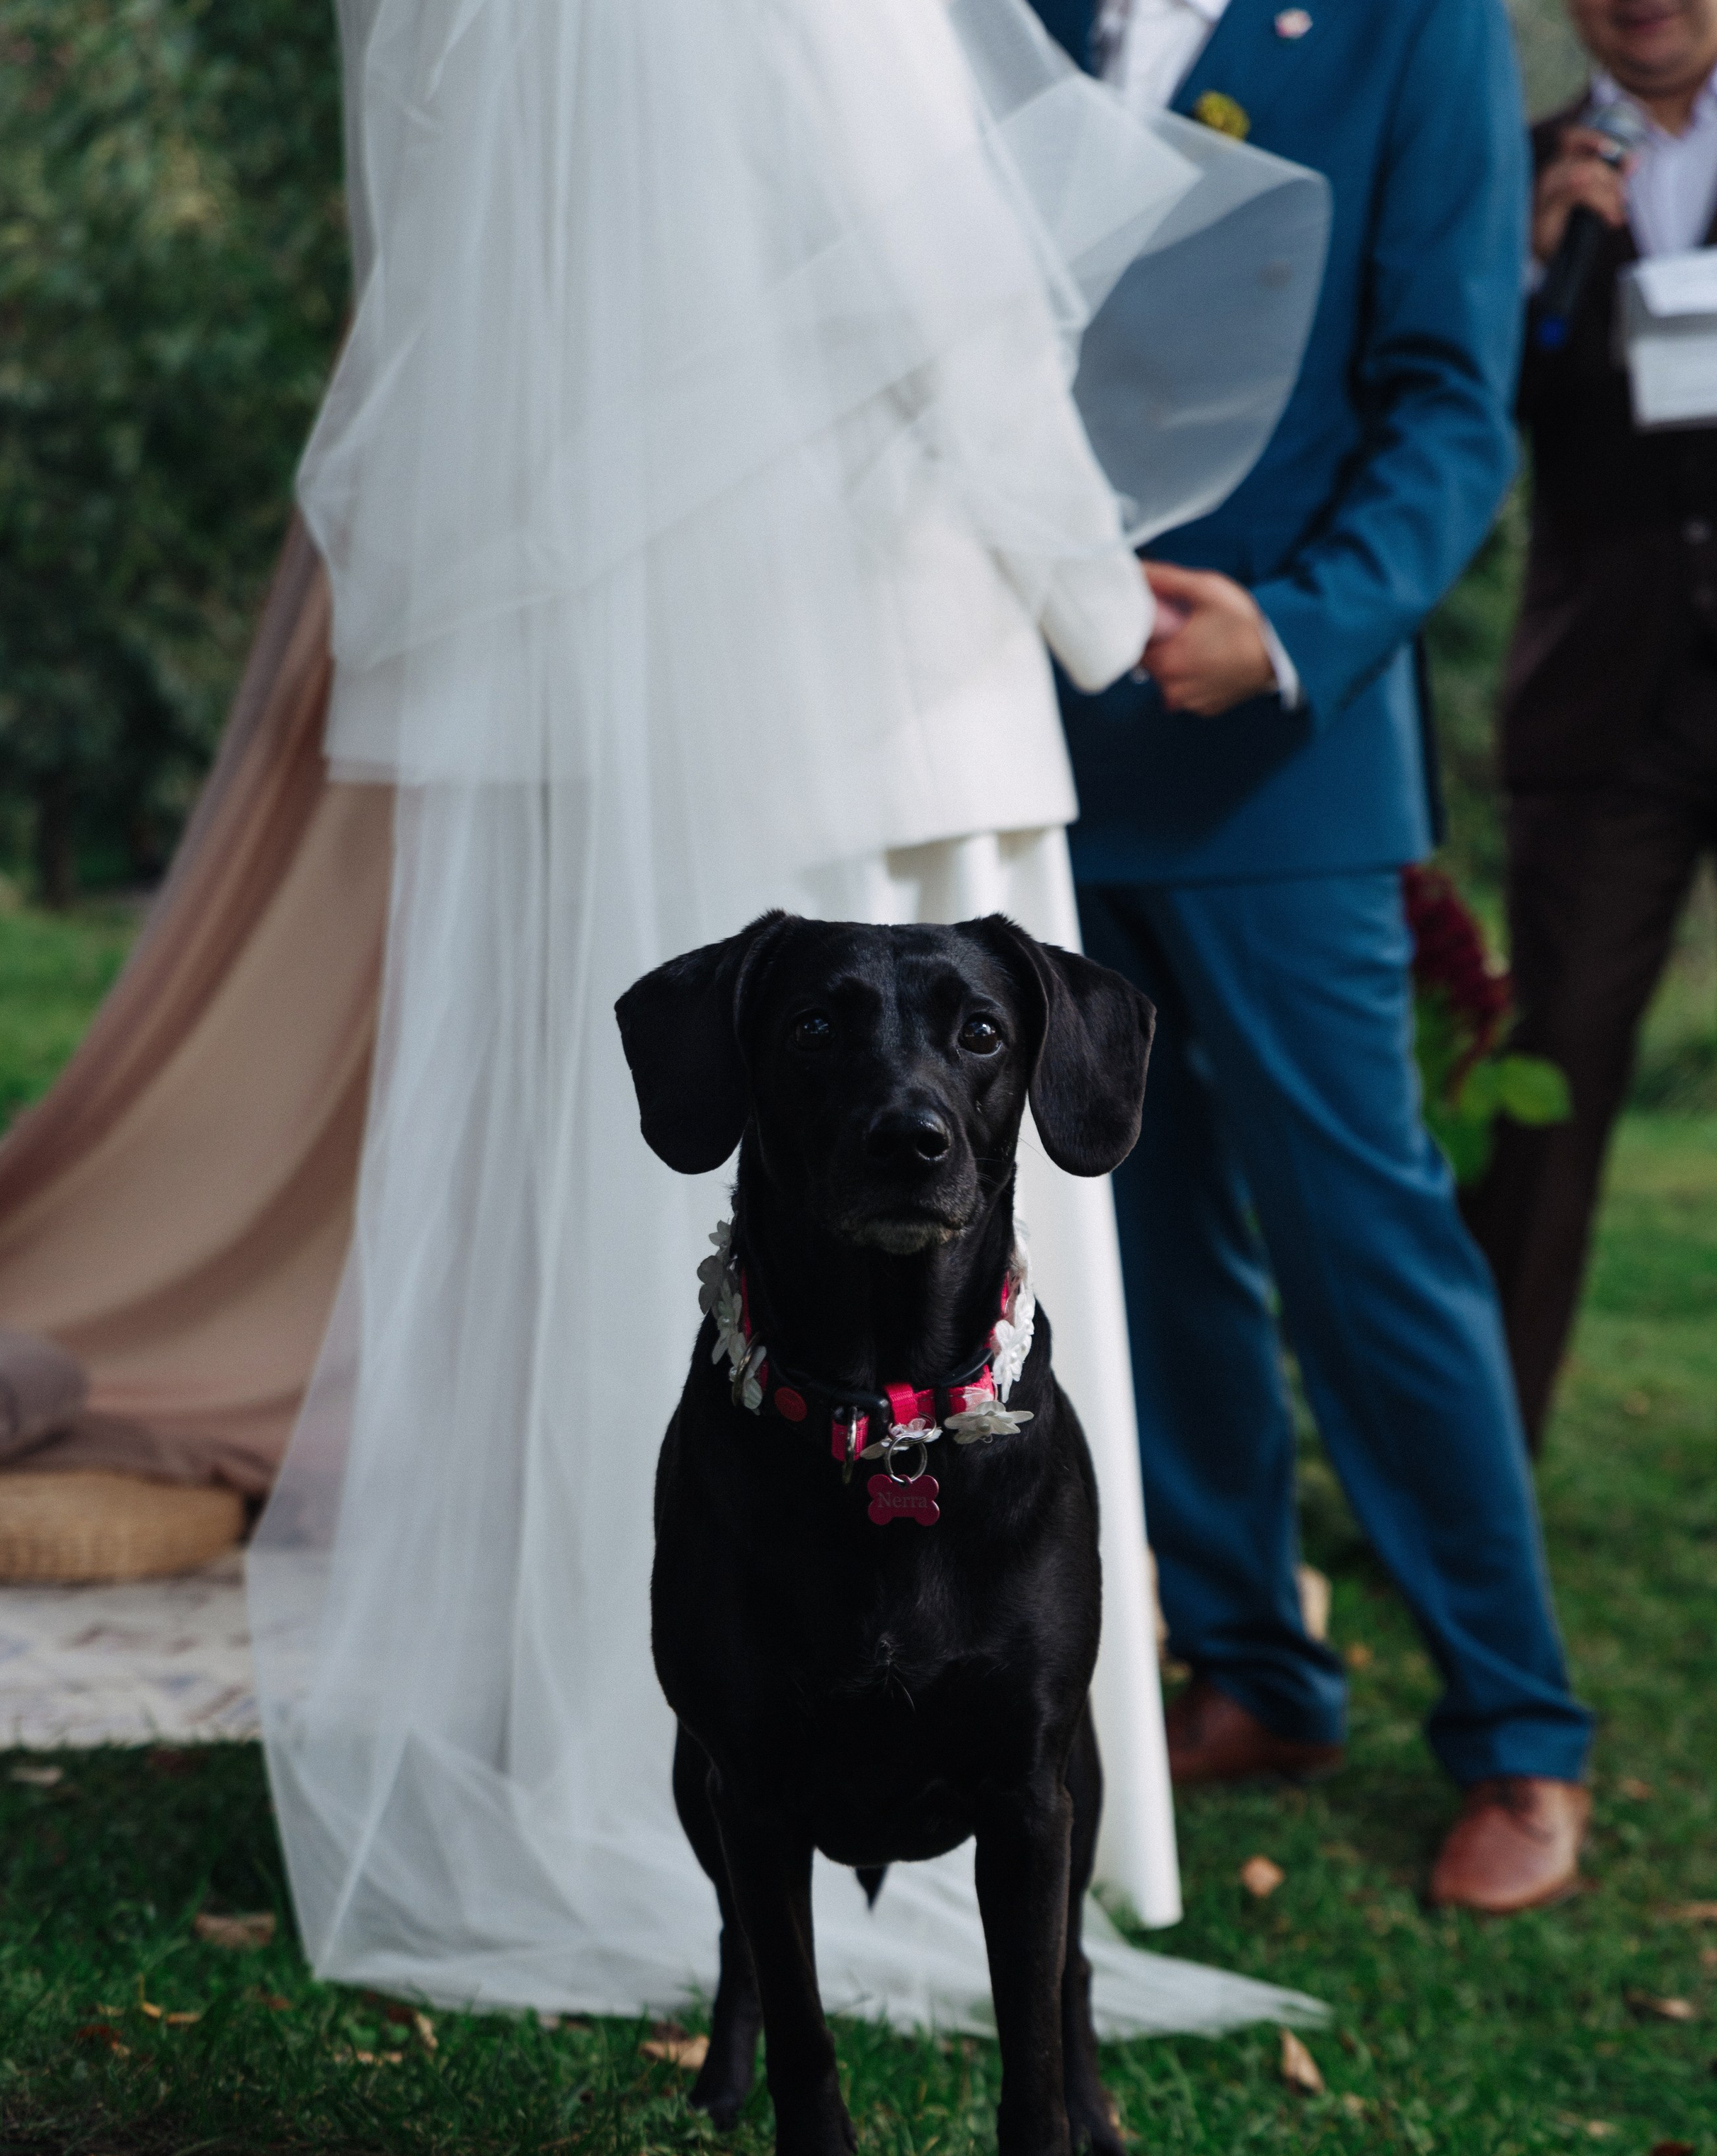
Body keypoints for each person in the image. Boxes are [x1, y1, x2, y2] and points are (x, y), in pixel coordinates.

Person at [247, 0, 1330, 2041]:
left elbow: (440, 285)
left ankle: (577, 1745)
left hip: (581, 662)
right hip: (869, 667)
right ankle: (981, 1776)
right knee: (921, 1175)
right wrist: (1103, 609)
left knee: (638, 1198)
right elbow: (951, 302)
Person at [1027, 0, 1597, 1914]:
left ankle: (1521, 1737)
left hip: (1278, 742)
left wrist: (1289, 634)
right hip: (1032, 735)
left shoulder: (1417, 26)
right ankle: (1260, 1669)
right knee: (1142, 1231)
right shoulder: (1014, 14)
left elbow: (1451, 397)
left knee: (1370, 1252)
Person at [1462, 0, 1717, 1485]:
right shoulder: (1514, 164)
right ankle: (1475, 1473)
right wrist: (1520, 264)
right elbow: (1456, 408)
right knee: (1549, 1077)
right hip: (1599, 700)